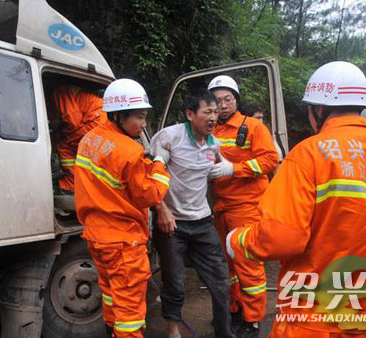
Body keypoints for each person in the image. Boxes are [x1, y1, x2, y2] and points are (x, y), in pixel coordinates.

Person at [226, 61, 366, 337]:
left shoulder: (308, 155)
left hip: (313, 320)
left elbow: (283, 237)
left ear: (318, 110)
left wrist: (238, 240)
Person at [74, 79, 171, 338]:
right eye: (139, 117)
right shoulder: (129, 151)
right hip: (123, 241)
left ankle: (111, 332)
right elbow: (150, 195)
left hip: (96, 236)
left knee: (110, 294)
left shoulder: (88, 139)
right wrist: (159, 166)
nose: (143, 125)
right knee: (129, 310)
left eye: (144, 117)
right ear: (118, 115)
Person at [150, 89, 235, 338]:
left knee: (220, 281)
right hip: (172, 224)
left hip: (202, 222)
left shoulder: (213, 143)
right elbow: (151, 175)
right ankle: (173, 330)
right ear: (190, 114)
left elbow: (214, 169)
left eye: (216, 112)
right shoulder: (169, 137)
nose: (213, 117)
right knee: (175, 283)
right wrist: (161, 208)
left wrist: (229, 169)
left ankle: (224, 332)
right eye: (207, 111)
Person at [207, 75, 279, 336]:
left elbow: (271, 160)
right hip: (221, 207)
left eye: (228, 99)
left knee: (247, 264)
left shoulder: (252, 127)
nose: (223, 105)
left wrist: (235, 169)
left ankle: (253, 320)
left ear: (236, 100)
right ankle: (234, 309)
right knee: (227, 265)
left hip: (247, 206)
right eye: (217, 100)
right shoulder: (209, 128)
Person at [53, 85, 106, 193]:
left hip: (94, 122)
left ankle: (69, 187)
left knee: (64, 145)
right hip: (100, 122)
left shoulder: (61, 91)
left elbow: (72, 120)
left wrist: (62, 134)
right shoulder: (80, 95)